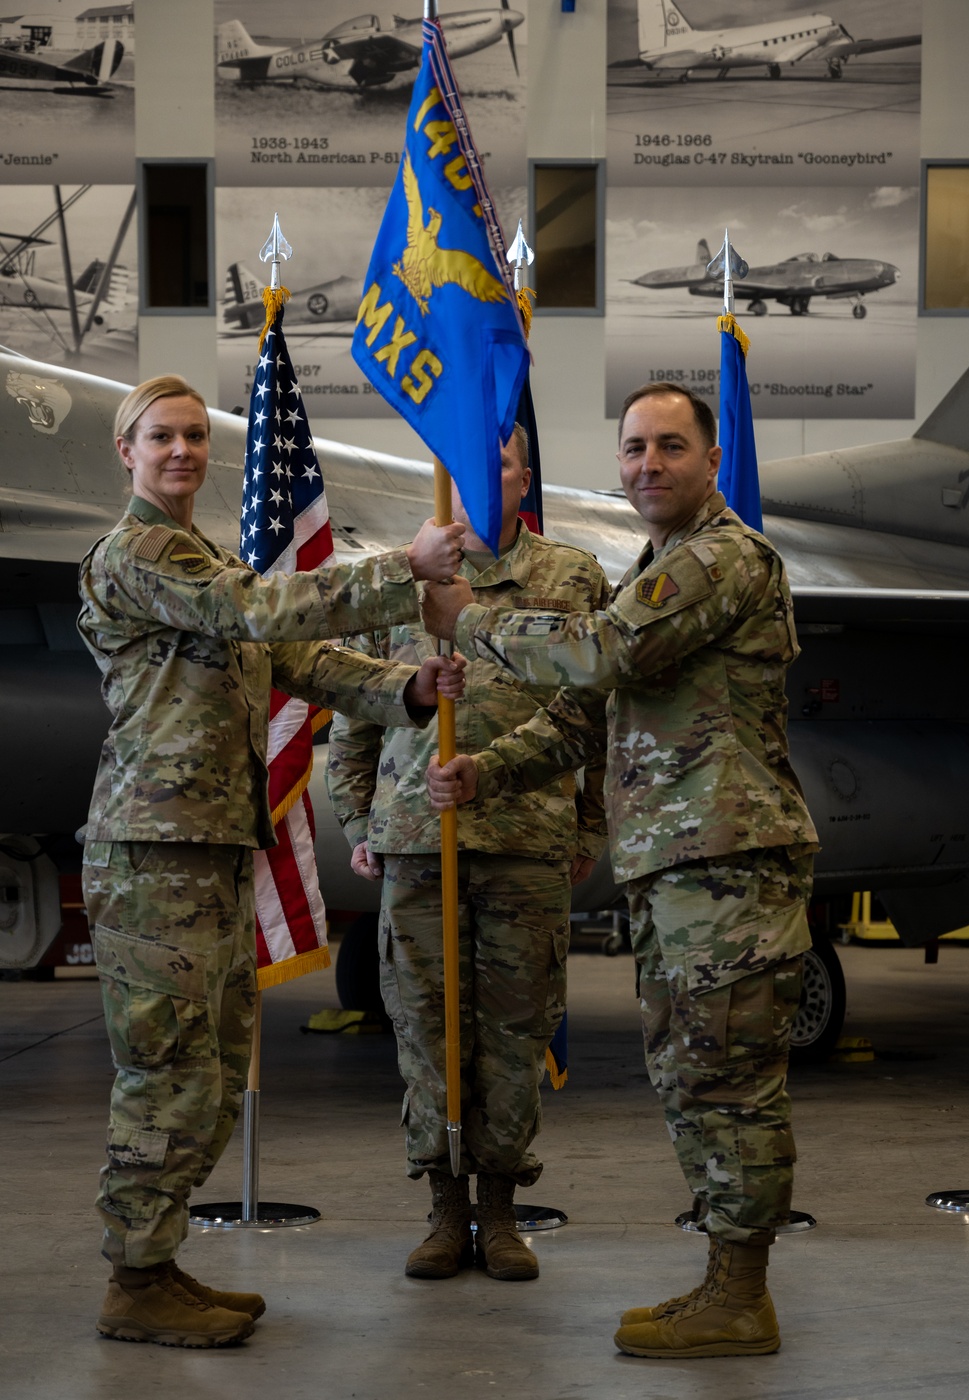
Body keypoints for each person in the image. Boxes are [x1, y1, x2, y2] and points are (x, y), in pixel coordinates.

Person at [422, 383, 818, 1358]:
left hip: (724, 861)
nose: (647, 464)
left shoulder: (723, 558)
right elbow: (586, 716)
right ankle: (725, 1280)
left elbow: (601, 652)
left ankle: (742, 1292)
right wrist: (487, 766)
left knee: (729, 1079)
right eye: (633, 447)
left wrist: (470, 619)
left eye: (669, 446)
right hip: (677, 863)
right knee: (691, 1073)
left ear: (710, 457)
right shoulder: (661, 563)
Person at [78, 375, 466, 1348]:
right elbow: (253, 607)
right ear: (126, 451)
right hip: (151, 853)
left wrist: (409, 687)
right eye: (159, 435)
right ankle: (133, 1276)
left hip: (206, 846)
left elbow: (306, 664)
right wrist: (397, 572)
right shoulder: (135, 552)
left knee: (205, 1069)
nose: (179, 450)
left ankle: (157, 1261)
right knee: (166, 1067)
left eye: (192, 435)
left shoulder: (199, 555)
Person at [326, 424, 609, 1282]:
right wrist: (359, 820)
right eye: (468, 459)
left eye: (506, 458)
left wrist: (588, 828)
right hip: (418, 842)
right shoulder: (407, 575)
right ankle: (446, 1209)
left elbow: (594, 712)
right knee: (425, 1033)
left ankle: (501, 1209)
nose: (489, 474)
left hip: (526, 841)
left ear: (528, 475)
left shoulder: (572, 578)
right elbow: (357, 709)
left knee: (515, 1034)